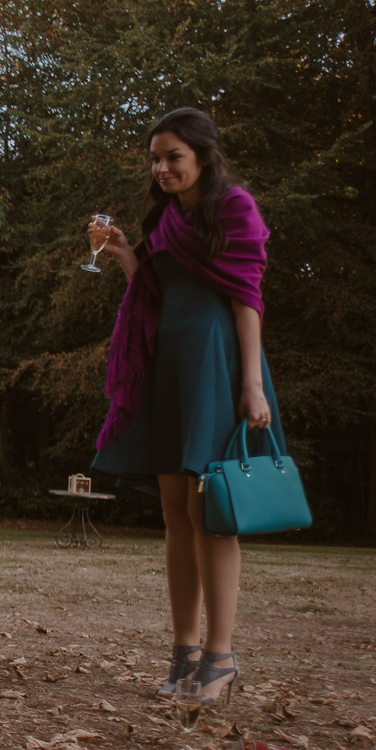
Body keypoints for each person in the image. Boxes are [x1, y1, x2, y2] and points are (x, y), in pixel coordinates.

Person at [89, 108, 281, 707]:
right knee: (175, 510)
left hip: (215, 366)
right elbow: (156, 288)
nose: (162, 167)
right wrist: (126, 254)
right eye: (155, 158)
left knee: (210, 509)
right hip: (167, 366)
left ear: (202, 155)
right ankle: (184, 650)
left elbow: (247, 300)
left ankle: (222, 659)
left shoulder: (234, 209)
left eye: (172, 155)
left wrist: (251, 386)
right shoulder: (167, 217)